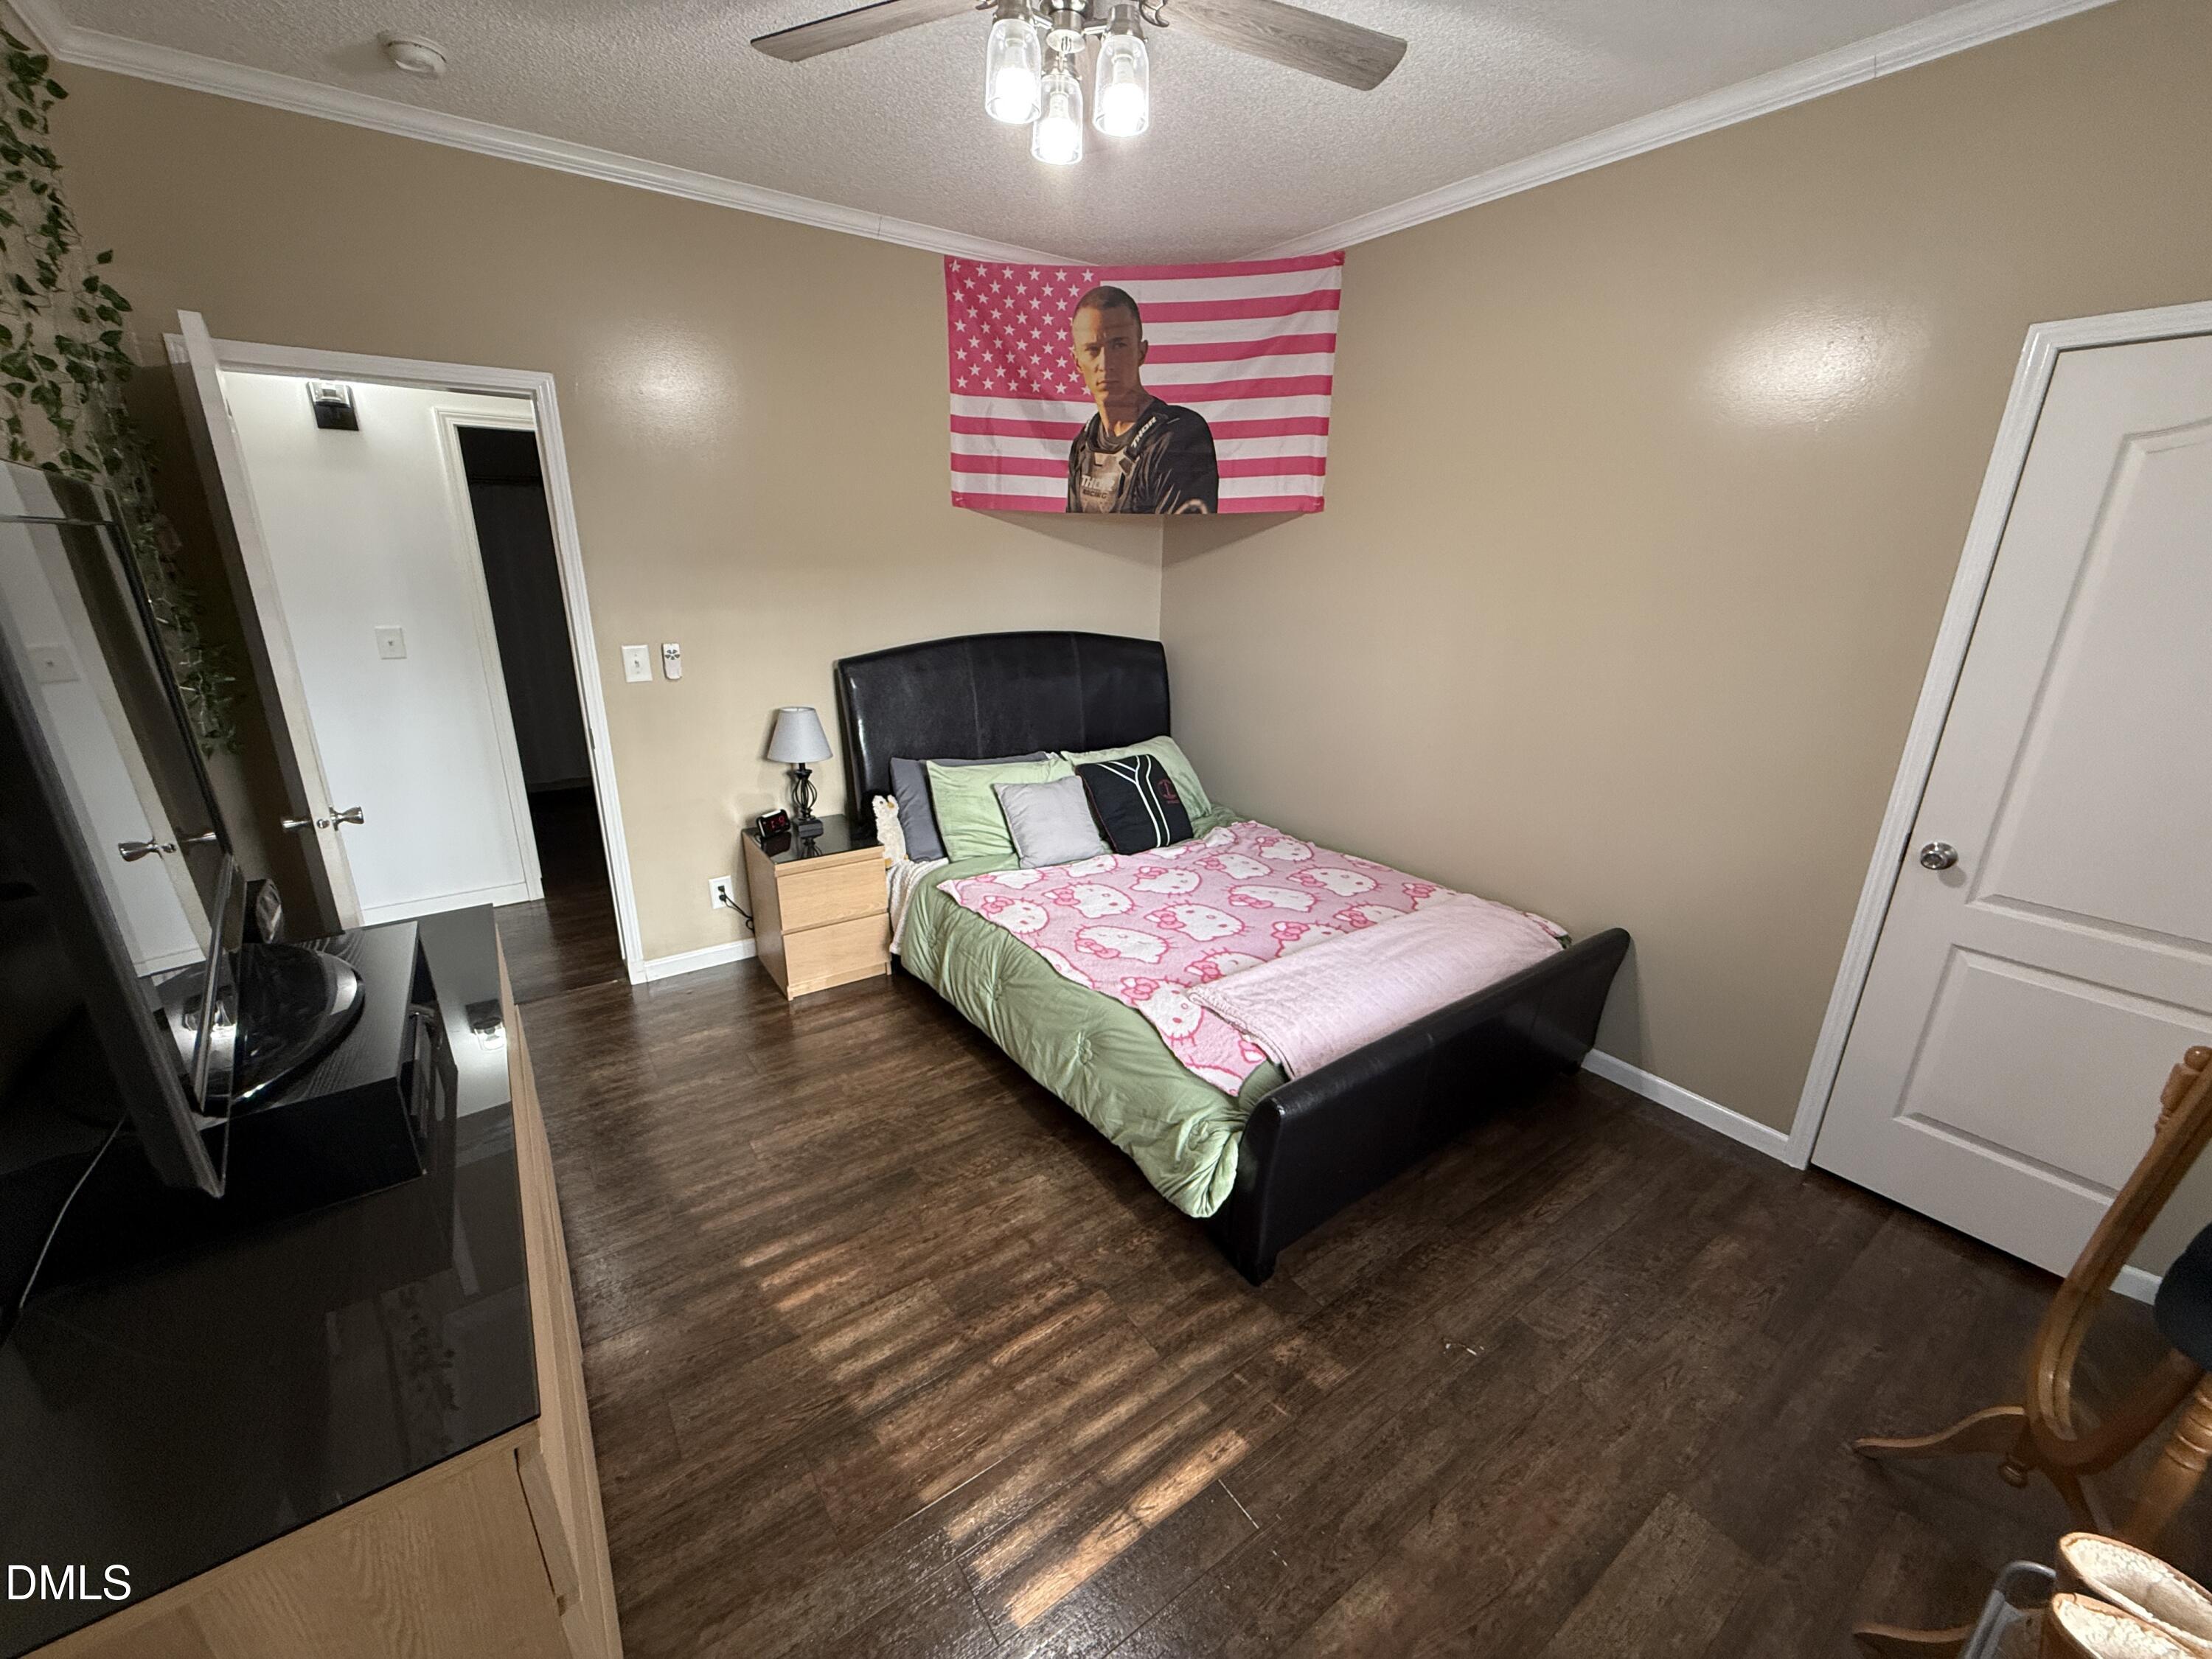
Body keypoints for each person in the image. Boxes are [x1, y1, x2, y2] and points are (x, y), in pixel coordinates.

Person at [1064, 285, 1219, 514]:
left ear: (1141, 352)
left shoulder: (1178, 436)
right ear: (1077, 361)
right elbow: (1069, 540)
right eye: (1093, 349)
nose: (1106, 364)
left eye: (1119, 345)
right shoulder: (1085, 443)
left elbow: (1182, 544)